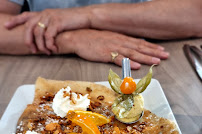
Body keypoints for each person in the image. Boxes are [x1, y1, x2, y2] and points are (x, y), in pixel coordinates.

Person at [1, 0, 201, 68]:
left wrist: (88, 15)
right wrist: (73, 38)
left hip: (149, 63)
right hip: (44, 64)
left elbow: (194, 14)